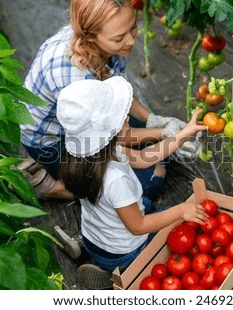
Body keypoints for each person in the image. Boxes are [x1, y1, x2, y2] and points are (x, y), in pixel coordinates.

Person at [18, 0, 195, 201]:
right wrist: (166, 133)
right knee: (150, 180)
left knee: (156, 148)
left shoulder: (103, 43)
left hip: (87, 122)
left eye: (133, 27)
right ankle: (57, 187)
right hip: (55, 141)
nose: (130, 41)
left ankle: (54, 169)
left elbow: (117, 88)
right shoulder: (76, 77)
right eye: (119, 37)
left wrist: (154, 120)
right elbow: (110, 138)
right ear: (91, 36)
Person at [56, 76, 209, 289]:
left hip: (95, 238)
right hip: (124, 252)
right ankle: (119, 273)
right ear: (110, 131)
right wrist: (181, 211)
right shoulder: (115, 179)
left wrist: (182, 135)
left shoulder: (90, 156)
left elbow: (144, 157)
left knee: (144, 204)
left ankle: (86, 248)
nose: (128, 117)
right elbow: (139, 226)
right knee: (177, 224)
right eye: (122, 116)